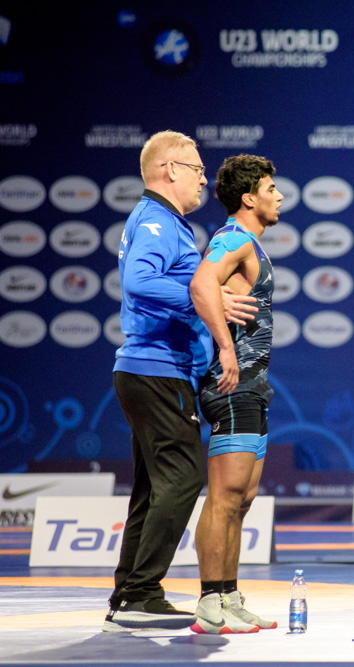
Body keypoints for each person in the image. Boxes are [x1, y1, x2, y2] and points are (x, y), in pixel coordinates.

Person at [106, 131, 257, 632]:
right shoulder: (155, 220)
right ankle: (140, 593)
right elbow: (139, 282)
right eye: (197, 169)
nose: (203, 179)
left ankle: (131, 597)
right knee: (183, 479)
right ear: (170, 169)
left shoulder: (165, 222)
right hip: (156, 370)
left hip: (152, 370)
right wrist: (205, 296)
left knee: (153, 488)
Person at [188, 154, 283, 633]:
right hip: (231, 385)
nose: (279, 196)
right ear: (248, 198)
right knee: (225, 497)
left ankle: (229, 597)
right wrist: (226, 349)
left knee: (242, 500)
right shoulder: (234, 238)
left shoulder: (251, 244)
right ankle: (209, 603)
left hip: (253, 386)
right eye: (270, 189)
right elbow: (201, 282)